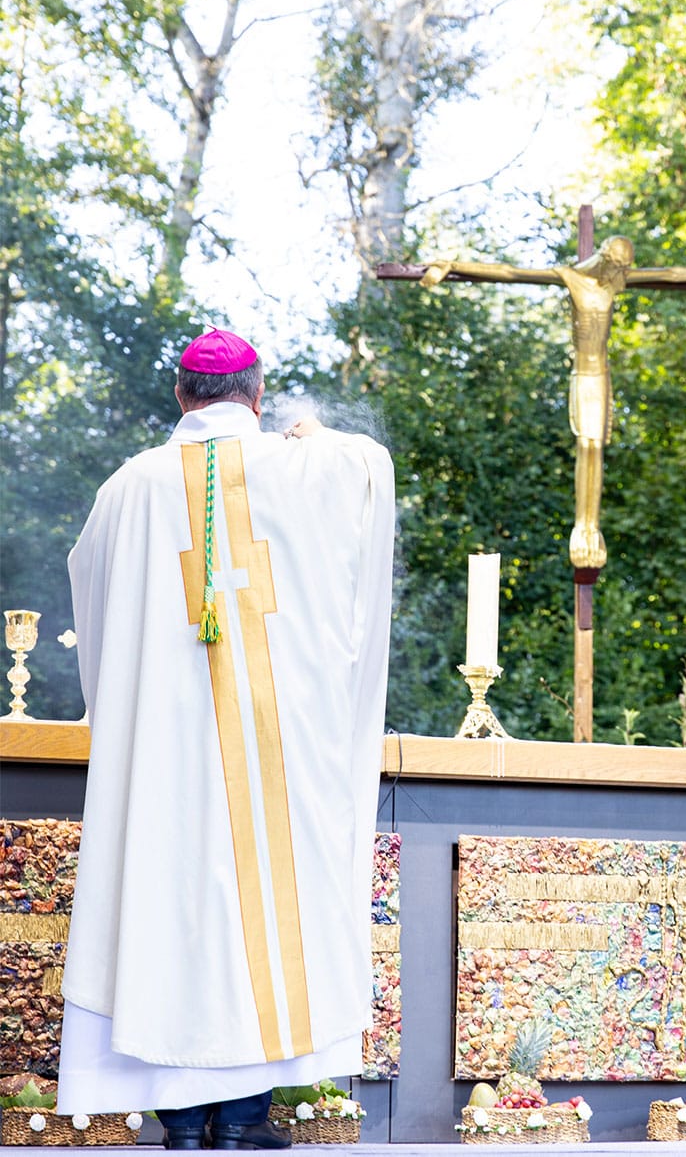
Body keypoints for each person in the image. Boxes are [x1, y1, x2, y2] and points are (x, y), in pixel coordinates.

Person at [57, 329, 395, 1150]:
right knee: (271, 915)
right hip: (276, 756)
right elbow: (368, 469)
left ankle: (182, 1123)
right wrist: (313, 433)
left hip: (162, 760)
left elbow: (92, 594)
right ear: (259, 391)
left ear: (180, 395)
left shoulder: (129, 486)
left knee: (165, 909)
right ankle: (242, 1121)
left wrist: (131, 713)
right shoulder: (307, 466)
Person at [420, 238, 686, 569]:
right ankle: (581, 528)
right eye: (617, 264)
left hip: (602, 376)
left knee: (596, 448)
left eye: (624, 267)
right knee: (585, 445)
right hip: (582, 375)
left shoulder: (617, 282)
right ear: (603, 256)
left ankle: (592, 528)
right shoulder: (570, 277)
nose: (620, 271)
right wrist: (451, 266)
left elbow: (670, 273)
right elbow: (509, 272)